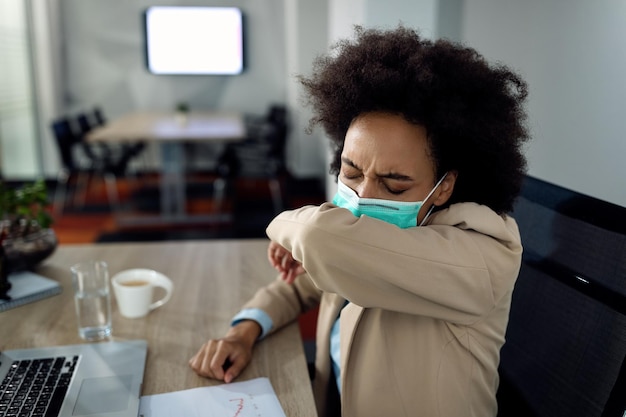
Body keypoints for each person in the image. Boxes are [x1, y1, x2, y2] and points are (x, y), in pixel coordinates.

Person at [189, 25, 529, 417]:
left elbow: (316, 236)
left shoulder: (482, 257)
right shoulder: (352, 239)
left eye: (394, 184)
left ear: (444, 187)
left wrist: (287, 228)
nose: (363, 197)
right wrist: (243, 331)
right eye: (351, 172)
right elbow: (303, 286)